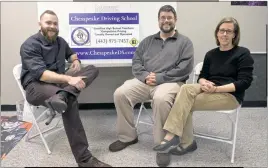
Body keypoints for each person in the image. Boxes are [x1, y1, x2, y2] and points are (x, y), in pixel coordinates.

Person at [153, 17, 254, 166]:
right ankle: (177, 137)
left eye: (228, 31)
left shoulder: (243, 53)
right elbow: (202, 76)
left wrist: (217, 89)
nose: (224, 34)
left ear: (235, 34)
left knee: (184, 102)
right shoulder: (211, 54)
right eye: (221, 30)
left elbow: (244, 82)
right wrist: (203, 82)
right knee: (185, 89)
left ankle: (180, 139)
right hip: (208, 88)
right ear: (217, 33)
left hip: (229, 94)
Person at [20, 10, 111, 167]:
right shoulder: (29, 45)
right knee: (70, 101)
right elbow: (42, 75)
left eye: (55, 23)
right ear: (40, 24)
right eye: (48, 23)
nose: (52, 26)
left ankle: (61, 96)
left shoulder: (60, 41)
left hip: (58, 86)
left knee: (92, 69)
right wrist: (70, 79)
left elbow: (71, 54)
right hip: (36, 87)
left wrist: (75, 60)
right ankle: (85, 160)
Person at [108, 4, 194, 165]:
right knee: (120, 94)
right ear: (158, 20)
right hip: (145, 81)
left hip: (171, 82)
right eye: (163, 17)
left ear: (175, 20)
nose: (166, 20)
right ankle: (128, 137)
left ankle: (163, 145)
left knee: (161, 99)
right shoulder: (147, 41)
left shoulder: (185, 42)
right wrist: (146, 76)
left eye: (169, 17)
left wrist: (160, 77)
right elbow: (136, 62)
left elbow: (185, 68)